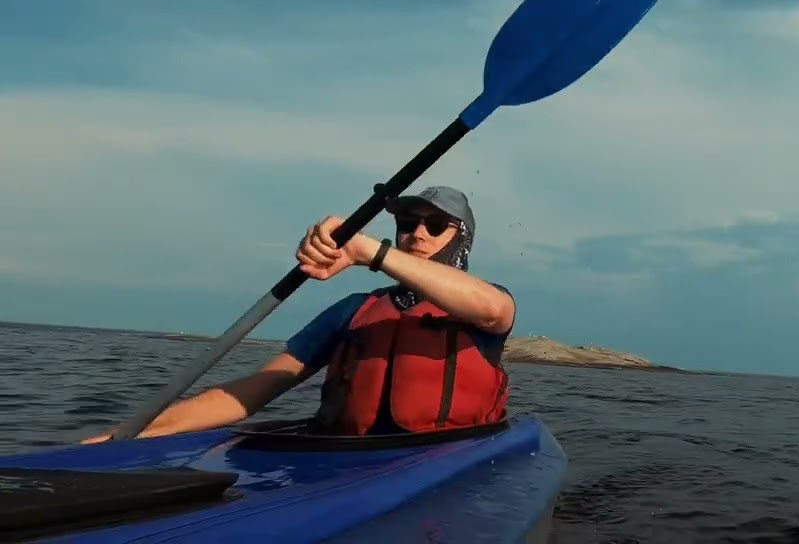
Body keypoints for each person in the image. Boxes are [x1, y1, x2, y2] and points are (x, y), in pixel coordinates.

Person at [82, 186, 515, 442]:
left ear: (462, 241)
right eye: (407, 221)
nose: (417, 232)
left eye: (435, 225)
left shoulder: (488, 305)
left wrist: (366, 250)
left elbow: (491, 307)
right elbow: (251, 391)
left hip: (452, 460)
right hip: (348, 464)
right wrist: (130, 433)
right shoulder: (355, 311)